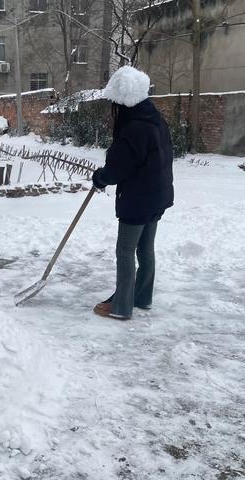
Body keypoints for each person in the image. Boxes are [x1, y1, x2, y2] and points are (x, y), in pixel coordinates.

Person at [92, 66, 174, 320]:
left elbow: (118, 168)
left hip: (138, 199)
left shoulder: (134, 129)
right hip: (157, 196)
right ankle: (142, 297)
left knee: (125, 252)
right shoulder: (155, 120)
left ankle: (121, 307)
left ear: (124, 102)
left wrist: (101, 178)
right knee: (145, 249)